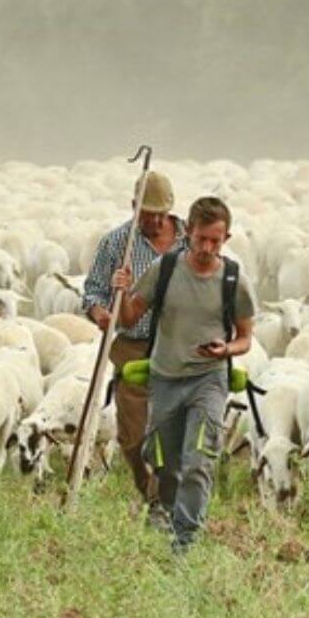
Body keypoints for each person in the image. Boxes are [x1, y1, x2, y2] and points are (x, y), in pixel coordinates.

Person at [119, 195, 255, 555]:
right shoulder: (164, 269)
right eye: (201, 239)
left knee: (198, 460)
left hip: (208, 380)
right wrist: (122, 291)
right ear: (188, 233)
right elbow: (129, 318)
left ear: (226, 238)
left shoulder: (233, 280)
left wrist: (225, 349)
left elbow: (245, 338)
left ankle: (185, 541)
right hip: (165, 378)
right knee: (165, 461)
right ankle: (166, 511)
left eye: (215, 241)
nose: (207, 248)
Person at [81, 171, 185, 527]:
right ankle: (150, 491)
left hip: (179, 346)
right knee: (133, 435)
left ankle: (163, 502)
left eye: (161, 214)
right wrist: (100, 312)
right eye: (147, 214)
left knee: (174, 427)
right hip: (133, 346)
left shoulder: (190, 240)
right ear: (133, 207)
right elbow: (93, 291)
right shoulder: (116, 244)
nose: (154, 221)